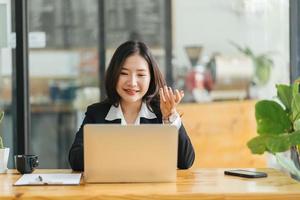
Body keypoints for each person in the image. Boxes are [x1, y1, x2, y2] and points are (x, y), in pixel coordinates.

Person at [69, 41, 195, 171]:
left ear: (151, 78)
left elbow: (185, 162)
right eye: (124, 73)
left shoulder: (161, 114)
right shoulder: (97, 113)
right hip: (109, 189)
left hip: (152, 190)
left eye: (140, 75)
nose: (132, 82)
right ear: (114, 75)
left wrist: (170, 117)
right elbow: (75, 160)